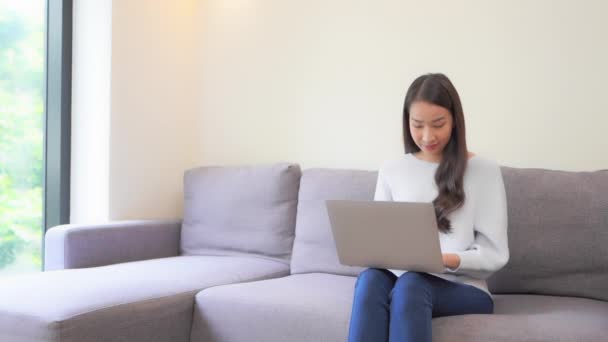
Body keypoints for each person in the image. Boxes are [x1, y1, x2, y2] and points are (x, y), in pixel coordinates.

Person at [347, 73, 509, 342]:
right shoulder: (392, 170)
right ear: (406, 122)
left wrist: (447, 260)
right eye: (417, 125)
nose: (427, 136)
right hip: (402, 279)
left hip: (463, 286)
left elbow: (495, 254)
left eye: (438, 124)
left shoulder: (484, 171)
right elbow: (380, 239)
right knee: (370, 280)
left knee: (412, 283)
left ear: (455, 120)